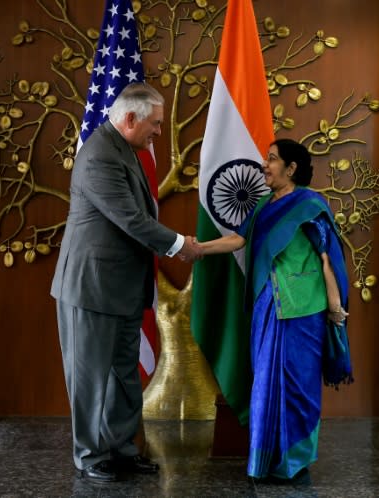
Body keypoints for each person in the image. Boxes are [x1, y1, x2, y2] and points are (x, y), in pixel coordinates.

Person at [51, 82, 202, 483]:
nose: (158, 132)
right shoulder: (99, 155)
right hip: (90, 288)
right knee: (89, 379)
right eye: (154, 124)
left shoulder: (127, 150)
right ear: (130, 118)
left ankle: (120, 449)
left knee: (123, 374)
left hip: (121, 287)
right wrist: (179, 245)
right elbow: (131, 220)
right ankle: (90, 455)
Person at [197, 138, 352, 483]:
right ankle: (264, 461)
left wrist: (335, 309)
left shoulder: (311, 206)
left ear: (291, 168)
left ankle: (295, 461)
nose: (264, 165)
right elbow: (238, 239)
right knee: (266, 383)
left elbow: (328, 258)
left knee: (299, 387)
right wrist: (198, 249)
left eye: (271, 159)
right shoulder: (264, 206)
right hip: (268, 306)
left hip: (304, 310)